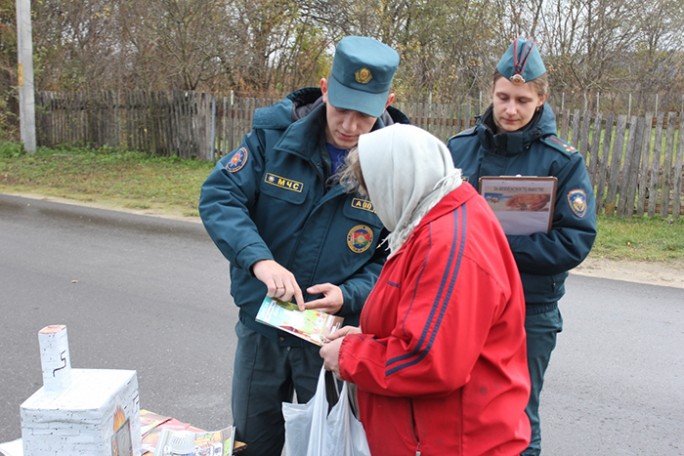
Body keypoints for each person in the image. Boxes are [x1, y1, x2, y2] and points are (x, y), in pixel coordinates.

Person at [198, 36, 408, 456]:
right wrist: (259, 261)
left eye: (364, 115)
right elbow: (220, 197)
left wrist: (350, 295)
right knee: (252, 442)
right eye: (341, 108)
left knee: (328, 443)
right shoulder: (273, 136)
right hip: (263, 327)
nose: (349, 125)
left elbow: (396, 258)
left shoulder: (399, 163)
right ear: (325, 88)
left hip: (331, 337)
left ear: (387, 102)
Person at [320, 123, 531, 456]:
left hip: (446, 440)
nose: (374, 203)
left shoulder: (447, 244)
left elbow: (433, 362)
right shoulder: (437, 214)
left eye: (375, 190)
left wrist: (351, 355)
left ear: (398, 183)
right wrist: (366, 335)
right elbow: (430, 319)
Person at [447, 38, 598, 455]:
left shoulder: (562, 161)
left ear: (541, 99)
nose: (510, 109)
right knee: (456, 409)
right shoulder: (459, 148)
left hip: (529, 309)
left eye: (522, 100)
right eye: (503, 97)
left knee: (516, 418)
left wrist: (495, 246)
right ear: (490, 92)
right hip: (464, 302)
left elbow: (576, 240)